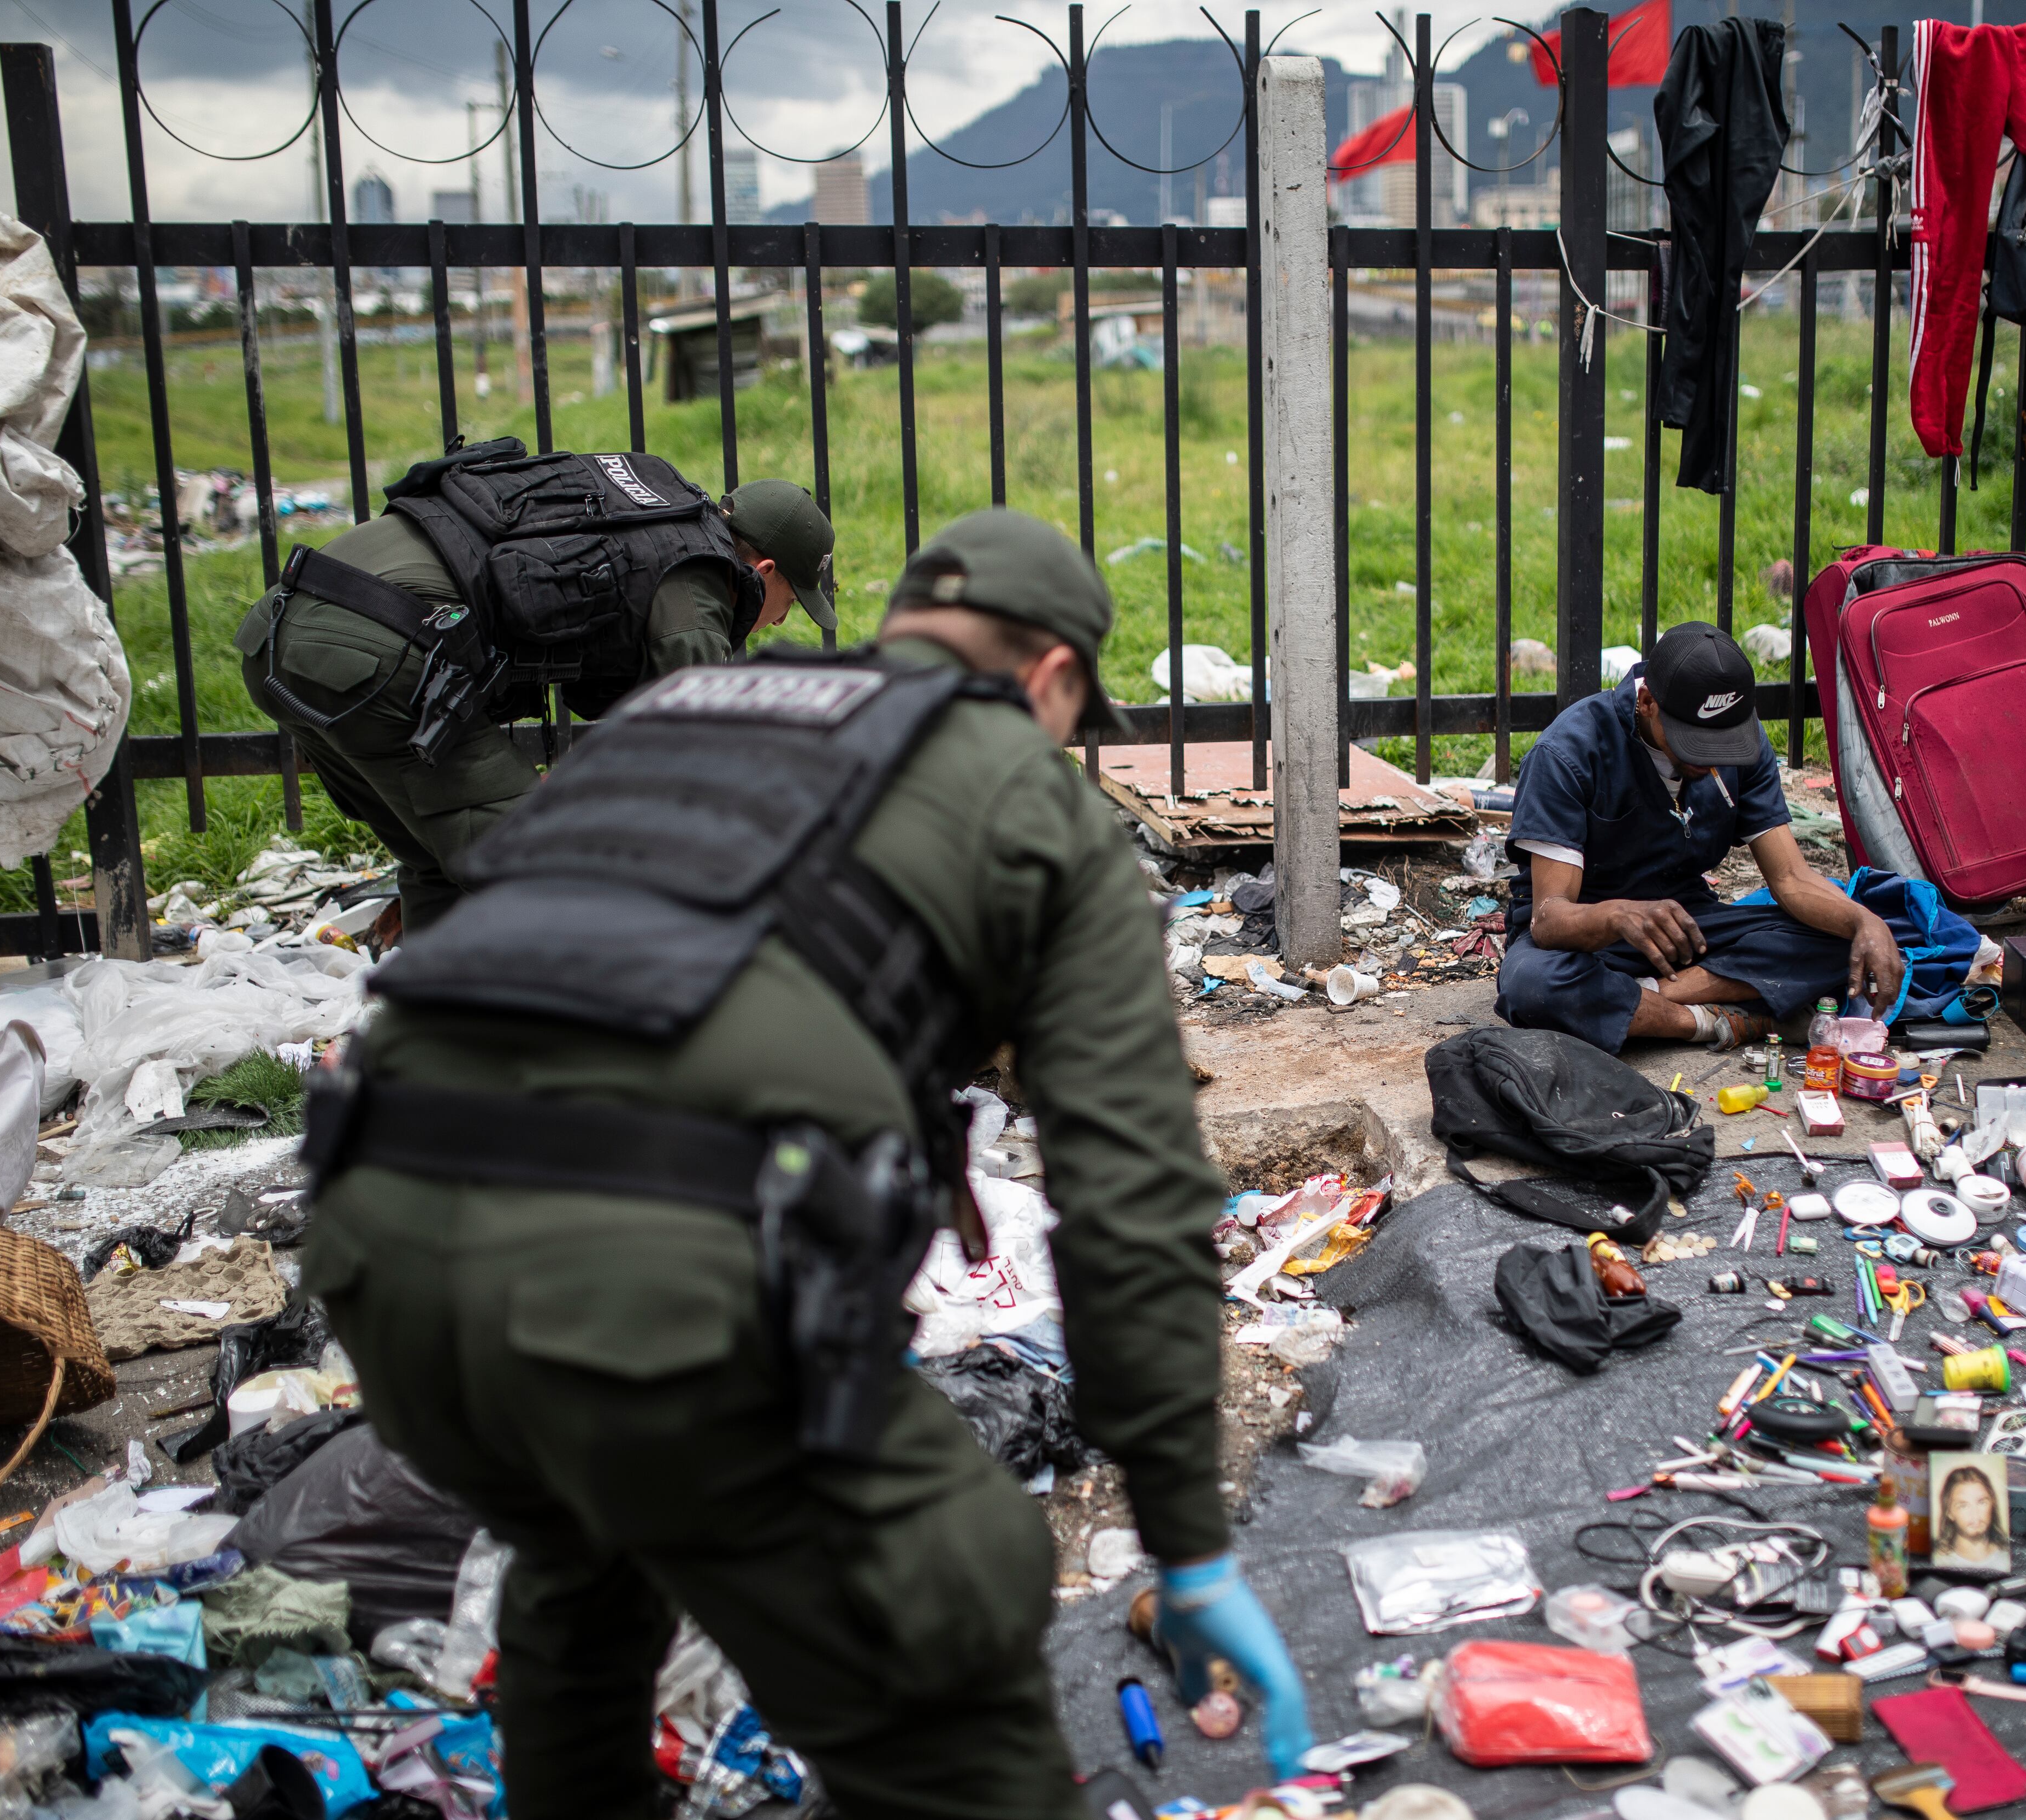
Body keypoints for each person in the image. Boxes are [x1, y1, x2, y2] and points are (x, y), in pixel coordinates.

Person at [297, 508, 1311, 1814]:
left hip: (381, 1245)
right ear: (1053, 678)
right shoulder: (1019, 786)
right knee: (954, 1593)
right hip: (655, 1281)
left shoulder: (681, 712)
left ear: (898, 634)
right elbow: (1132, 1198)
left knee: (583, 1566)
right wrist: (1186, 1550)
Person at [234, 439, 833, 930]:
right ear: (765, 571)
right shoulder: (696, 583)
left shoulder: (651, 515)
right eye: (789, 604)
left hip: (281, 633)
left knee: (441, 861)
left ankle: (433, 1047)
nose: (779, 620)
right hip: (369, 650)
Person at [1496, 620, 1905, 1054]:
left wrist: (1864, 921)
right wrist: (1618, 915)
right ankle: (1709, 1022)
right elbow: (1549, 918)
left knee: (1852, 938)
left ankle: (1635, 998)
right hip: (1587, 935)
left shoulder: (1739, 739)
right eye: (1696, 745)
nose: (1712, 762)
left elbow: (1790, 878)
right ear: (1648, 702)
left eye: (1723, 745)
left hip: (1687, 927)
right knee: (1532, 985)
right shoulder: (1569, 751)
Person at [1933, 1460, 2011, 1574]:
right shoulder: (1940, 1562)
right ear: (1949, 1513)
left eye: (1982, 1502)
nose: (1975, 1514)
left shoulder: (2006, 1558)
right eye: (1963, 1506)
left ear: (1993, 1504)